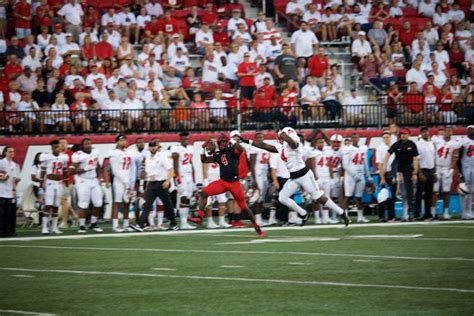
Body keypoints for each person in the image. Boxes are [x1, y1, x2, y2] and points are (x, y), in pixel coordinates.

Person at [240, 127, 349, 226]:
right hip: (294, 178)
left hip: (304, 175)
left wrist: (284, 135)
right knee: (282, 197)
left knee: (317, 197)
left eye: (281, 136)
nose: (279, 137)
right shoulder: (280, 146)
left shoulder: (295, 143)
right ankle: (303, 213)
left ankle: (341, 212)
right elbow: (263, 145)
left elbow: (293, 143)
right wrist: (246, 141)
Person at [199, 134, 266, 237]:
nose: (222, 144)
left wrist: (231, 139)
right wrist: (203, 149)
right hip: (222, 182)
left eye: (223, 142)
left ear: (228, 142)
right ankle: (200, 217)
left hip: (234, 184)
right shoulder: (218, 154)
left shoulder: (233, 150)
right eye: (220, 142)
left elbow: (241, 148)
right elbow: (204, 160)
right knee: (204, 193)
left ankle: (257, 227)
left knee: (244, 207)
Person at [134, 140, 178, 231]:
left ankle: (174, 223)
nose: (152, 148)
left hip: (161, 183)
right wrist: (144, 185)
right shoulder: (147, 158)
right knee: (147, 204)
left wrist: (167, 181)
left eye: (154, 146)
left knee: (167, 204)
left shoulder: (162, 157)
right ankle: (141, 224)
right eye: (151, 146)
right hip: (151, 184)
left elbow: (170, 169)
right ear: (148, 148)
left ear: (157, 147)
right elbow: (147, 173)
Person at [381, 128, 420, 221]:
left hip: (407, 167)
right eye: (402, 134)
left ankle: (410, 213)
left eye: (405, 134)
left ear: (408, 135)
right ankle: (392, 177)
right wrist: (385, 167)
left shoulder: (412, 144)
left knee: (409, 190)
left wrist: (415, 172)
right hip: (398, 164)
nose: (403, 135)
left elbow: (415, 159)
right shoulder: (397, 144)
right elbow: (388, 154)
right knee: (395, 163)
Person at [69, 138, 104, 233]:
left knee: (98, 203)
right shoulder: (78, 155)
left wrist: (98, 177)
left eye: (89, 143)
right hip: (83, 181)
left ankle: (93, 224)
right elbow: (71, 171)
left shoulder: (95, 151)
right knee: (84, 204)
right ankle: (82, 226)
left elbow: (97, 165)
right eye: (86, 144)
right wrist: (84, 169)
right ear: (82, 146)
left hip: (94, 180)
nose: (88, 145)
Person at [105, 134, 136, 232]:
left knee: (127, 202)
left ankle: (126, 225)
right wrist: (125, 181)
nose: (123, 142)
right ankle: (115, 225)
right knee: (117, 202)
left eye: (125, 140)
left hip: (128, 180)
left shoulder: (129, 152)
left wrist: (131, 181)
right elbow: (115, 170)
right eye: (121, 140)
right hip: (119, 181)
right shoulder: (113, 152)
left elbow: (132, 168)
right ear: (117, 142)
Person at [40, 140, 69, 235]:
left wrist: (67, 186)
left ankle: (54, 227)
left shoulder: (64, 157)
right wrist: (41, 187)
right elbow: (42, 172)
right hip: (49, 183)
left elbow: (65, 172)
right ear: (52, 148)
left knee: (56, 206)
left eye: (59, 147)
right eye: (56, 147)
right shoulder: (46, 156)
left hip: (59, 183)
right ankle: (44, 227)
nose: (58, 149)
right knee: (48, 205)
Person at [202, 137, 232, 229]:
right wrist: (206, 181)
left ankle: (222, 221)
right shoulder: (207, 152)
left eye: (216, 142)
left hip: (220, 179)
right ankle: (210, 222)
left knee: (222, 200)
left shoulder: (221, 151)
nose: (215, 143)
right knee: (209, 201)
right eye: (213, 142)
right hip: (211, 179)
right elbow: (205, 167)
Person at [341, 133, 372, 223]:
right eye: (353, 138)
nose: (355, 139)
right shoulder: (348, 149)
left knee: (359, 197)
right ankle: (345, 216)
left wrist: (368, 176)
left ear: (359, 139)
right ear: (351, 139)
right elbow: (345, 165)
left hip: (361, 174)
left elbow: (365, 163)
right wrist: (354, 175)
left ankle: (360, 216)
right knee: (348, 196)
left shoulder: (363, 148)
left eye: (356, 137)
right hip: (350, 176)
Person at [432, 126, 461, 220]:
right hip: (437, 168)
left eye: (450, 131)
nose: (448, 132)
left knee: (446, 191)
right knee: (435, 191)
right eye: (447, 131)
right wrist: (433, 169)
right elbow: (432, 152)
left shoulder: (454, 143)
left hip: (446, 168)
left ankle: (445, 212)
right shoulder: (436, 140)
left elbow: (456, 155)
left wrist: (452, 168)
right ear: (443, 132)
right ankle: (433, 212)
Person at [171, 132, 196, 230]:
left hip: (189, 175)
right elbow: (175, 164)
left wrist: (194, 179)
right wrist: (176, 178)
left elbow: (191, 163)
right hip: (182, 175)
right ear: (180, 139)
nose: (186, 140)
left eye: (187, 138)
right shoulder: (176, 148)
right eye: (184, 139)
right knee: (183, 198)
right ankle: (183, 222)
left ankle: (185, 221)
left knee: (188, 198)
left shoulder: (190, 148)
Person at [249, 132, 271, 226]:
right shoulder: (253, 148)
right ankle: (257, 218)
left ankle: (259, 218)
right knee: (257, 197)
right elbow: (252, 165)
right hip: (258, 174)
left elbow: (268, 163)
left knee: (261, 197)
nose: (259, 138)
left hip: (264, 174)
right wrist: (254, 179)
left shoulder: (266, 148)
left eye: (261, 137)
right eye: (257, 137)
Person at [414, 127, 436, 220]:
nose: (425, 133)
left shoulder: (431, 143)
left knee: (429, 193)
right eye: (423, 132)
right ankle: (417, 214)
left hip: (431, 170)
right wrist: (419, 172)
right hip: (422, 170)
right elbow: (416, 159)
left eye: (426, 131)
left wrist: (434, 171)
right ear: (421, 133)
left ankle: (428, 213)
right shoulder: (418, 144)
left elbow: (433, 158)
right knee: (419, 193)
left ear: (428, 132)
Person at [376, 130, 396, 222]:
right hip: (384, 173)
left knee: (392, 196)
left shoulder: (394, 146)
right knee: (383, 197)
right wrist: (382, 177)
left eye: (387, 137)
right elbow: (380, 164)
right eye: (384, 137)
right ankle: (381, 216)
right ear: (382, 139)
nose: (386, 139)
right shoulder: (380, 148)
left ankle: (391, 216)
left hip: (392, 173)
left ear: (390, 137)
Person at [0, 147, 20, 237]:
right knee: (2, 212)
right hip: (1, 191)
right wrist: (3, 177)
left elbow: (15, 179)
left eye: (13, 151)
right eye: (10, 151)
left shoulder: (15, 165)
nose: (12, 153)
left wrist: (14, 189)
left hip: (10, 192)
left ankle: (10, 230)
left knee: (10, 213)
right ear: (5, 152)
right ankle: (2, 230)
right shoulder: (1, 162)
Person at [459, 126, 474, 220]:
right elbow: (459, 156)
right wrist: (460, 171)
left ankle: (470, 211)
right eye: (469, 129)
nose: (470, 131)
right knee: (464, 190)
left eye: (472, 129)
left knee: (472, 190)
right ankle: (464, 212)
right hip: (466, 166)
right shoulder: (463, 141)